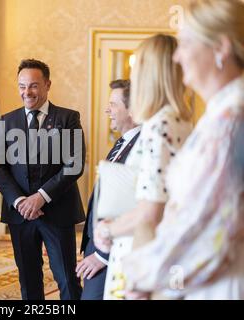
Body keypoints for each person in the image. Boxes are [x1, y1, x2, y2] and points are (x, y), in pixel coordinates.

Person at [122, 0, 244, 300]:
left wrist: (142, 277)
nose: (177, 56)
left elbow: (207, 236)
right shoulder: (218, 115)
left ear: (220, 48)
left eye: (186, 44)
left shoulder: (229, 122)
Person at [93, 34, 193, 299]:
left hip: (143, 247)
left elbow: (151, 211)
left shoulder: (159, 127)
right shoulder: (182, 121)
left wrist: (106, 230)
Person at [0, 59, 85, 300]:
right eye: (22, 86)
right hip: (20, 214)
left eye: (33, 86)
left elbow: (73, 165)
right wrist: (20, 201)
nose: (27, 92)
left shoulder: (68, 118)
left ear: (47, 85)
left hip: (57, 211)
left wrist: (40, 198)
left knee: (66, 277)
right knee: (29, 279)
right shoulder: (6, 121)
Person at [76, 79, 140, 300]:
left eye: (113, 104)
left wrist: (102, 255)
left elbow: (134, 206)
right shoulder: (122, 143)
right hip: (100, 247)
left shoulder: (142, 146)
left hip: (113, 252)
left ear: (131, 109)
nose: (107, 110)